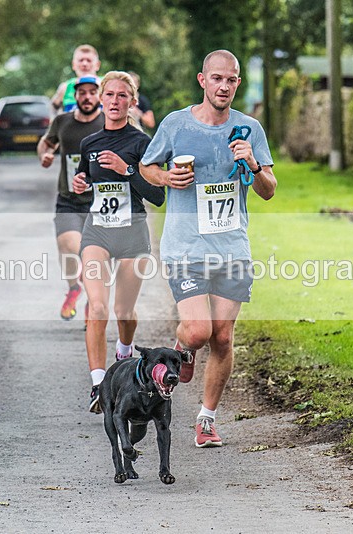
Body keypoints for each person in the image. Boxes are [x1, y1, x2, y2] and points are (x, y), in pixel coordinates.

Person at [139, 50, 277, 447]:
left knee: (223, 337)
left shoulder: (249, 128)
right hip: (185, 246)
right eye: (216, 78)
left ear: (237, 83)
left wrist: (252, 164)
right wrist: (167, 178)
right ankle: (184, 345)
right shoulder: (176, 124)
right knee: (199, 331)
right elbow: (148, 167)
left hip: (232, 248)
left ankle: (207, 419)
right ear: (203, 80)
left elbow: (268, 191)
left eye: (231, 80)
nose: (224, 86)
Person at [71, 71, 165, 414]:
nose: (114, 101)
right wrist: (81, 185)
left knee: (123, 311)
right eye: (108, 94)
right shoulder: (89, 143)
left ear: (133, 102)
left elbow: (158, 195)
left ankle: (124, 349)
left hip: (132, 232)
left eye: (122, 95)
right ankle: (98, 383)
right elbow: (85, 181)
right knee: (97, 307)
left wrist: (128, 170)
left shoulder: (144, 144)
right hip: (97, 230)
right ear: (100, 99)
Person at [37, 77, 105, 321]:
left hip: (101, 203)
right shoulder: (62, 122)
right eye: (82, 93)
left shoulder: (108, 122)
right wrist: (44, 155)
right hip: (68, 199)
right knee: (68, 248)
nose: (87, 97)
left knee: (92, 256)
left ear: (99, 95)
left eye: (92, 92)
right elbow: (46, 143)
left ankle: (92, 300)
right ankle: (74, 288)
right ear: (75, 96)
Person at [51, 44, 101, 113]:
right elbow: (51, 110)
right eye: (81, 60)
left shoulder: (107, 85)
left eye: (89, 60)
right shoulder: (65, 87)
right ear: (73, 65)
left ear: (97, 65)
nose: (84, 64)